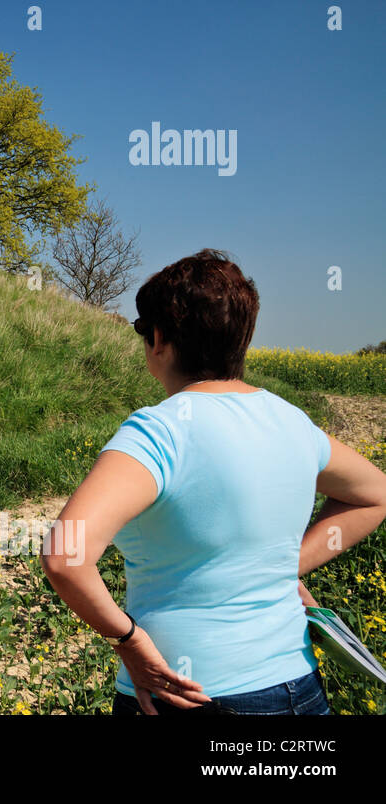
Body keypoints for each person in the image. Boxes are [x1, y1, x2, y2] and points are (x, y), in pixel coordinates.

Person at [41, 249, 386, 714]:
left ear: (159, 338)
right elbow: (374, 496)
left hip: (186, 694)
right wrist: (282, 569)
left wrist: (127, 640)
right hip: (297, 687)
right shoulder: (292, 422)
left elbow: (65, 556)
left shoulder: (159, 430)